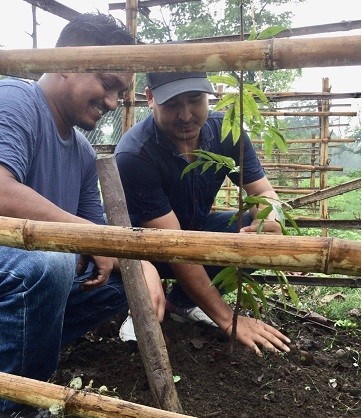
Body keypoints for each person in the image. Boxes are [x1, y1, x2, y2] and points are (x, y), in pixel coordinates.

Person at [0, 13, 165, 417]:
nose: (112, 103)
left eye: (120, 93)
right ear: (68, 62)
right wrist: (93, 239)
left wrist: (140, 262)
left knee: (124, 280)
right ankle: (20, 406)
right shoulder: (15, 99)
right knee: (51, 264)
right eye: (108, 85)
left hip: (25, 279)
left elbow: (96, 232)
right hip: (16, 267)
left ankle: (20, 355)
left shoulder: (82, 151)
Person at [115, 70, 291, 356]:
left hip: (192, 233)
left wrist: (270, 222)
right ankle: (140, 304)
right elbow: (173, 246)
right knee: (139, 275)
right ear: (149, 98)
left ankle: (183, 302)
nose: (186, 115)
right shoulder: (136, 155)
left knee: (254, 228)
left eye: (195, 100)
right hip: (145, 250)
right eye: (172, 104)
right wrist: (228, 319)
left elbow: (264, 194)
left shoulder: (227, 131)